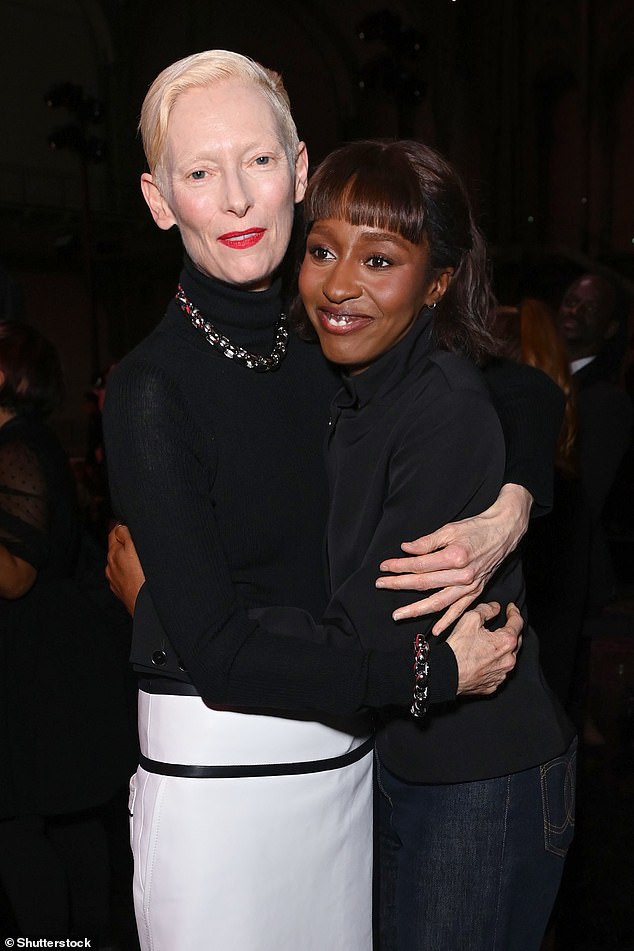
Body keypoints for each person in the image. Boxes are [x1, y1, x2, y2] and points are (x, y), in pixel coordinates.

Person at [103, 51, 561, 951]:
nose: (237, 198)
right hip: (229, 790)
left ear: (300, 168)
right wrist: (429, 674)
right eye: (200, 172)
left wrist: (513, 502)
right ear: (161, 201)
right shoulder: (151, 388)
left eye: (259, 161)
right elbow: (224, 653)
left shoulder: (318, 334)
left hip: (356, 772)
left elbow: (522, 391)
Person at [293, 140, 576, 950]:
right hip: (408, 760)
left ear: (439, 282)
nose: (339, 283)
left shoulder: (439, 403)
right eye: (321, 250)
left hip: (479, 778)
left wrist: (188, 624)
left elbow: (372, 631)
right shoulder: (348, 383)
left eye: (379, 258)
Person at [0, 323, 133, 942]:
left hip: (38, 666)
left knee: (27, 829)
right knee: (63, 823)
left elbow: (15, 575)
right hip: (44, 666)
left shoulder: (17, 446)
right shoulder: (23, 442)